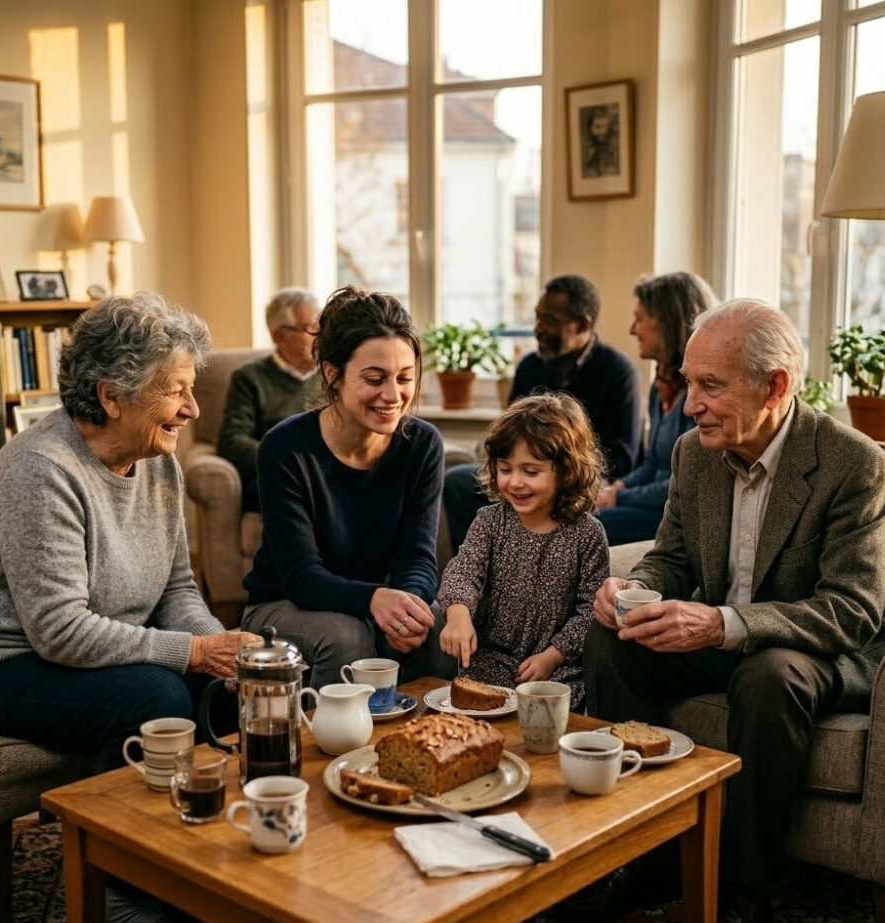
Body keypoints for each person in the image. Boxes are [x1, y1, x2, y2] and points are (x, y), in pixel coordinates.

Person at [0, 292, 261, 923]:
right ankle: (119, 900)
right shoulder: (39, 471)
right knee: (152, 696)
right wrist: (192, 652)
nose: (192, 410)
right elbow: (58, 632)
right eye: (176, 392)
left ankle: (182, 871)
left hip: (71, 652)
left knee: (229, 694)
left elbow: (177, 592)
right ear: (111, 396)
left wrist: (218, 650)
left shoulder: (157, 459)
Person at [577, 298, 885, 923]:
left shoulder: (855, 464)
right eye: (689, 381)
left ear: (776, 385)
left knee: (769, 673)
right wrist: (631, 593)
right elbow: (671, 558)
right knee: (611, 642)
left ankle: (744, 895)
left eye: (710, 386)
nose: (688, 403)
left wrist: (724, 623)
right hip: (722, 641)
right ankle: (634, 853)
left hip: (817, 654)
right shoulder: (695, 455)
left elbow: (852, 610)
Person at [241, 285, 454, 687]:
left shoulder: (422, 444)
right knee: (348, 636)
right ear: (332, 374)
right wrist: (375, 601)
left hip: (377, 597)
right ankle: (337, 749)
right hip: (284, 603)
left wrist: (408, 605)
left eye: (404, 378)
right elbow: (302, 577)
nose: (393, 395)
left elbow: (418, 556)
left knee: (435, 624)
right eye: (374, 379)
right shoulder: (285, 449)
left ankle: (428, 746)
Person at [443, 273, 642, 549]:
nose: (538, 328)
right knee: (457, 482)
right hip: (523, 473)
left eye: (550, 320)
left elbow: (622, 457)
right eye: (538, 318)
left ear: (582, 324)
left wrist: (559, 477)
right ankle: (480, 568)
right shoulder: (530, 366)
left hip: (576, 483)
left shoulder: (617, 371)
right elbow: (507, 435)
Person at [438, 393, 609, 710]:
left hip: (557, 669)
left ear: (567, 470)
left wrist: (551, 656)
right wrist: (458, 614)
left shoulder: (588, 534)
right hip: (490, 663)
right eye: (505, 469)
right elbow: (464, 570)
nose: (515, 482)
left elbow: (590, 612)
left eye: (531, 472)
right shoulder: (489, 522)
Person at [595, 271, 716, 545]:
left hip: (680, 516)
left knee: (585, 527)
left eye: (640, 318)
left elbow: (688, 483)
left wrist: (620, 497)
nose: (632, 329)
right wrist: (617, 487)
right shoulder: (658, 385)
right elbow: (651, 465)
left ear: (666, 322)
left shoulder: (700, 394)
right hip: (651, 506)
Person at [217, 287, 322, 511]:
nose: (320, 336)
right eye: (311, 328)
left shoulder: (333, 375)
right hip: (280, 478)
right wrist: (290, 460)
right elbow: (231, 441)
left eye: (321, 326)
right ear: (279, 336)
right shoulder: (249, 378)